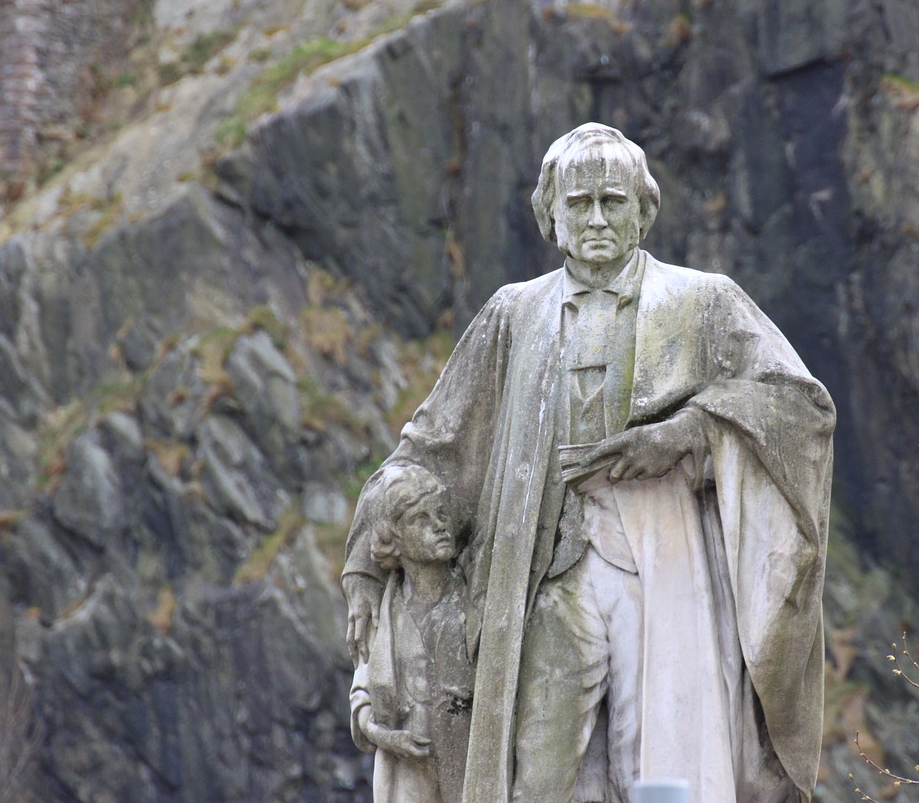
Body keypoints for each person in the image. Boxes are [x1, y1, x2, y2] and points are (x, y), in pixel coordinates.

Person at [344, 123, 835, 803]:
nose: (597, 217)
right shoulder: (511, 315)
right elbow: (431, 450)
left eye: (613, 200)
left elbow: (799, 406)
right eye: (580, 203)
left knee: (666, 764)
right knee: (538, 775)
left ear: (645, 209)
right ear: (552, 217)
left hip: (666, 562)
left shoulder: (703, 303)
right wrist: (368, 559)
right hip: (543, 577)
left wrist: (685, 433)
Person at [349, 465, 472, 803]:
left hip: (468, 766)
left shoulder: (473, 601)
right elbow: (361, 701)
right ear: (394, 538)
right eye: (421, 519)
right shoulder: (381, 615)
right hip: (406, 778)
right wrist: (386, 738)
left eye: (441, 513)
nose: (439, 525)